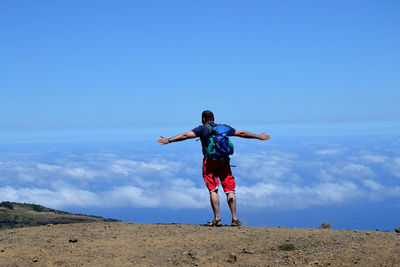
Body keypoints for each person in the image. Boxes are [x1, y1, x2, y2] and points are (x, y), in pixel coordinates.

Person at [157, 110, 270, 227]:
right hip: (224, 162)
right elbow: (241, 133)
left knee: (213, 189)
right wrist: (258, 136)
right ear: (213, 119)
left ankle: (217, 219)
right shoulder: (224, 128)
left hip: (209, 162)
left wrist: (169, 140)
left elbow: (186, 135)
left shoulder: (202, 128)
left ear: (203, 119)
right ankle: (235, 219)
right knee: (229, 190)